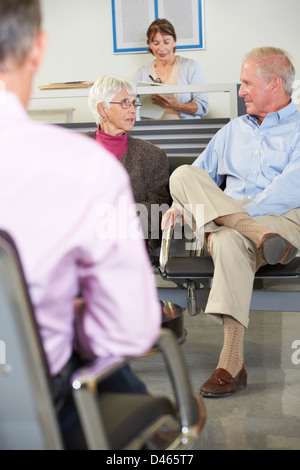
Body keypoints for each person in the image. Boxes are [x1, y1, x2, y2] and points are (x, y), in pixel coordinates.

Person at [0, 0, 162, 448]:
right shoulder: (81, 168)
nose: (130, 108)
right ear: (37, 49)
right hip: (32, 403)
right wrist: (64, 314)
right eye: (122, 101)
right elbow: (127, 330)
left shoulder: (106, 162)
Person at [162, 46, 300, 398]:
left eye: (246, 84)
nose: (240, 92)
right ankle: (231, 364)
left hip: (281, 220)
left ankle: (232, 364)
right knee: (181, 175)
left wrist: (225, 213)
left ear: (274, 84)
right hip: (247, 225)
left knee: (223, 237)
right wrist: (181, 204)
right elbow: (196, 176)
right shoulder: (232, 130)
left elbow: (290, 189)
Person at [88, 75, 170, 251]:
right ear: (102, 109)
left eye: (134, 103)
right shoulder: (74, 149)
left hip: (130, 243)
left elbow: (158, 211)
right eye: (125, 103)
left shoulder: (153, 155)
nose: (132, 109)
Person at [134, 18, 209, 120]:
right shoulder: (142, 72)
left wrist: (175, 105)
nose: (161, 48)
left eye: (166, 42)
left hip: (185, 130)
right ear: (150, 45)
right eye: (156, 43)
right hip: (150, 131)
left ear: (174, 42)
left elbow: (203, 107)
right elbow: (134, 107)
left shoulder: (190, 66)